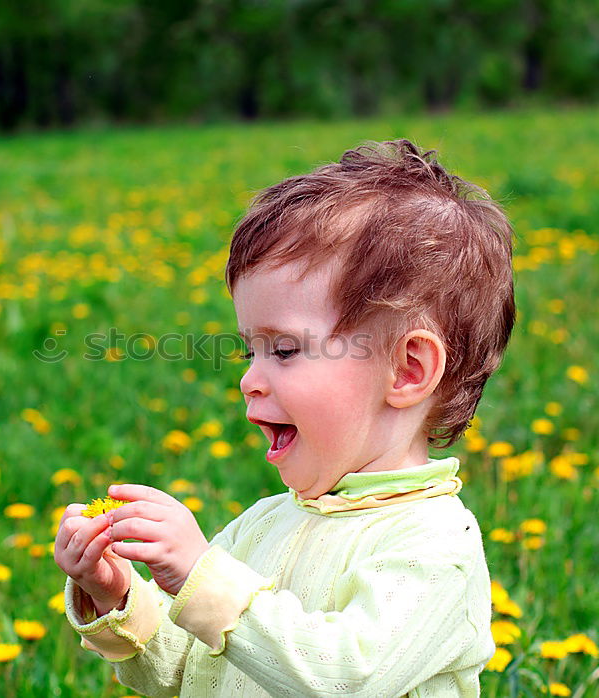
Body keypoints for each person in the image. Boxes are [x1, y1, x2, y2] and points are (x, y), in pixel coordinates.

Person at [54, 139, 515, 697]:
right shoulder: (264, 525)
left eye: (286, 351)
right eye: (251, 350)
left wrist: (202, 575)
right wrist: (119, 595)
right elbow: (192, 672)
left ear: (406, 370)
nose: (250, 378)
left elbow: (346, 678)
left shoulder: (433, 547)